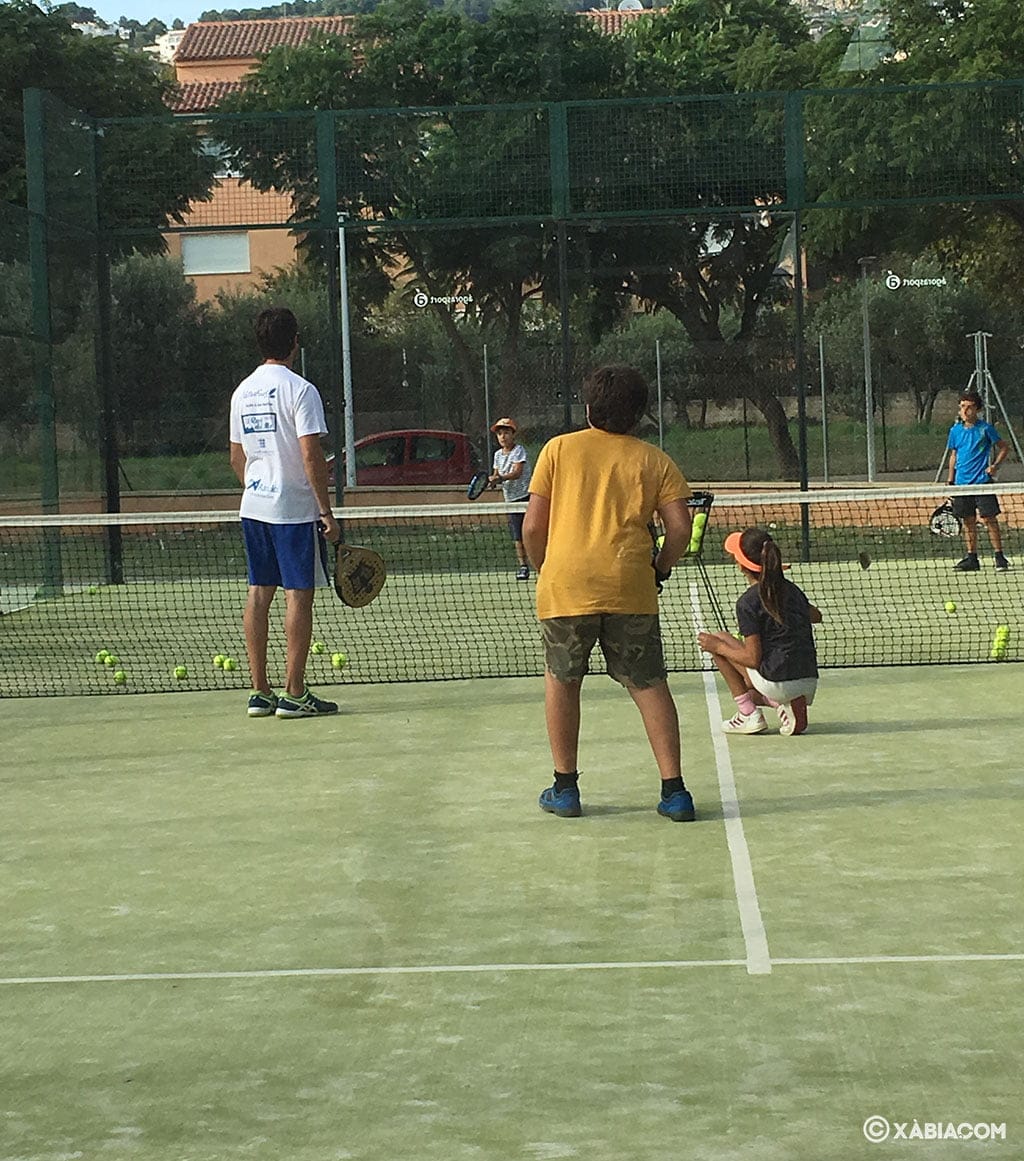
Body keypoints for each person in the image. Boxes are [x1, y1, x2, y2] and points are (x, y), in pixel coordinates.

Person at [521, 365, 696, 822]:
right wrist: (659, 568)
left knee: (562, 682)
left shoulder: (557, 449)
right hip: (630, 587)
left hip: (565, 588)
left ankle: (565, 788)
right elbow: (681, 528)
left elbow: (533, 526)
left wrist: (547, 569)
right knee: (650, 684)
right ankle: (674, 791)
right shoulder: (654, 460)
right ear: (640, 415)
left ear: (587, 407)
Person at [229, 306, 340, 719]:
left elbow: (236, 457)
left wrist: (258, 487)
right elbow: (311, 453)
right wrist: (325, 511)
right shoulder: (302, 390)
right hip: (292, 510)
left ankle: (260, 693)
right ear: (295, 341)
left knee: (259, 592)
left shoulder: (242, 392)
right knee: (299, 594)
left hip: (253, 507)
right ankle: (294, 693)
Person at [697, 528, 822, 737]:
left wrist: (716, 647)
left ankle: (749, 714)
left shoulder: (747, 603)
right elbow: (816, 616)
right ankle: (779, 703)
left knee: (718, 642)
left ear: (741, 565)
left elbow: (752, 659)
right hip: (809, 678)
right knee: (724, 639)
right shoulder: (792, 590)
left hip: (779, 681)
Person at [945, 390, 1009, 571]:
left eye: (970, 407)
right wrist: (951, 481)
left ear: (977, 409)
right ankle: (972, 558)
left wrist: (995, 466)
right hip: (961, 484)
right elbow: (953, 455)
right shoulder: (955, 431)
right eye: (962, 407)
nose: (965, 411)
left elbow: (1004, 447)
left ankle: (999, 557)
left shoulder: (985, 429)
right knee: (968, 521)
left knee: (989, 519)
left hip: (982, 482)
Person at [487, 417, 532, 580]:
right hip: (510, 500)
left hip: (526, 498)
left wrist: (500, 479)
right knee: (517, 535)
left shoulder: (519, 450)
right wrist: (493, 480)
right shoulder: (497, 455)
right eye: (499, 433)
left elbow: (517, 472)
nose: (503, 436)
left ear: (513, 435)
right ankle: (523, 567)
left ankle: (542, 564)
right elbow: (496, 474)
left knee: (531, 532)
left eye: (506, 432)